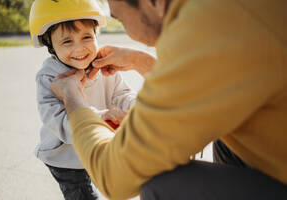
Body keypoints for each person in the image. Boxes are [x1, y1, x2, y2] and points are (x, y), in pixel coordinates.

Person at [50, 0, 287, 199]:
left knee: (161, 185)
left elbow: (113, 176)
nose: (129, 32)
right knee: (228, 138)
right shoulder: (219, 12)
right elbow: (204, 86)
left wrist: (72, 99)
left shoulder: (207, 32)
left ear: (152, 2)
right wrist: (140, 61)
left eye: (121, 18)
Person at [29, 0, 136, 199]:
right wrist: (101, 117)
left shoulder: (104, 64)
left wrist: (135, 107)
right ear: (49, 44)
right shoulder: (49, 77)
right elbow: (57, 120)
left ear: (96, 34)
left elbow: (121, 94)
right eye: (67, 41)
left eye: (86, 37)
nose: (80, 49)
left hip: (98, 147)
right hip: (66, 158)